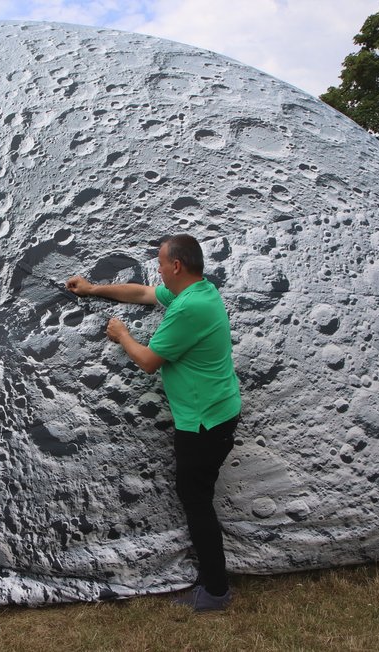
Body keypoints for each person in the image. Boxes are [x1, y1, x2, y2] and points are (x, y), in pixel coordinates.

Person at [66, 234, 241, 612]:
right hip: (217, 412)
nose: (158, 270)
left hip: (203, 423)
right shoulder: (198, 292)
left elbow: (148, 361)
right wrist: (94, 289)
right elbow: (144, 294)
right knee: (198, 499)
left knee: (196, 502)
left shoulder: (187, 309)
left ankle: (215, 591)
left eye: (161, 263)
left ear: (176, 266)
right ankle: (213, 583)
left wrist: (122, 335)